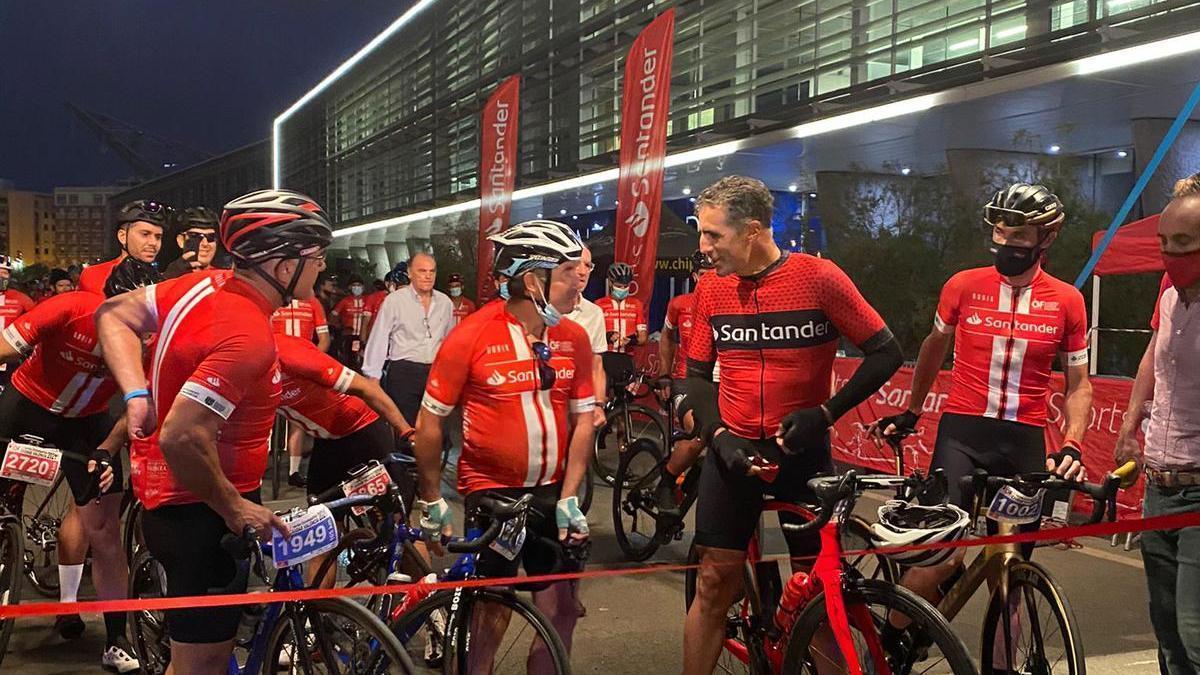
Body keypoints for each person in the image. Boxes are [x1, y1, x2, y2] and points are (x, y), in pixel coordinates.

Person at [95, 188, 331, 674]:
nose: (323, 269)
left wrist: (136, 394)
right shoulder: (247, 335)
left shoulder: (203, 284)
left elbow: (113, 313)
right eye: (317, 259)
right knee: (200, 667)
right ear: (284, 267)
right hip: (200, 517)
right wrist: (235, 507)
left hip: (170, 502)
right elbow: (181, 436)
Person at [679, 176, 904, 675]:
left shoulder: (818, 278)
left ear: (753, 231)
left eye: (714, 235)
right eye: (702, 232)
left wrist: (826, 413)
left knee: (817, 593)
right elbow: (694, 378)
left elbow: (886, 351)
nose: (703, 245)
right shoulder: (710, 288)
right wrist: (719, 435)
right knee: (716, 584)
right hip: (730, 448)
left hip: (801, 455)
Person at [868, 183, 1092, 640]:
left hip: (1023, 442)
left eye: (1019, 235)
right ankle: (886, 645)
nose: (1006, 243)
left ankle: (1003, 663)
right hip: (962, 436)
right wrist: (912, 411)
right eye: (1000, 231)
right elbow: (934, 348)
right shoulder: (963, 285)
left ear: (1046, 238)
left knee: (1008, 567)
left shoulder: (1068, 300)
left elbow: (1079, 384)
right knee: (943, 553)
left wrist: (1073, 442)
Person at [412, 219, 594, 673]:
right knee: (491, 611)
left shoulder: (573, 336)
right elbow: (430, 422)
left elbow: (584, 419)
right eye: (569, 271)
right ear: (533, 280)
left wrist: (570, 494)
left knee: (562, 611)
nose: (580, 280)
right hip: (494, 495)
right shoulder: (471, 335)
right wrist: (432, 499)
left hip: (552, 493)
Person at [0, 256, 161, 671]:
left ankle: (116, 640)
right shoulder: (71, 306)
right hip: (26, 407)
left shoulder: (150, 340)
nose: (137, 330)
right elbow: (5, 346)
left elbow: (138, 407)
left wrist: (107, 449)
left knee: (105, 531)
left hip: (87, 423)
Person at [1114, 172, 1200, 675]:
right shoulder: (1169, 294)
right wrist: (1131, 421)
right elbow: (1153, 355)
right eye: (1165, 242)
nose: (1170, 254)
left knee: (1194, 631)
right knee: (1167, 635)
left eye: (1184, 243)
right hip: (1159, 485)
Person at [274, 333, 415, 587]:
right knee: (321, 532)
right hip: (328, 442)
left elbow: (367, 387)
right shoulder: (244, 368)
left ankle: (428, 601)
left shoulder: (289, 351)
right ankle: (313, 615)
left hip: (364, 431)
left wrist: (406, 432)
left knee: (398, 525)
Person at [653, 249, 714, 516]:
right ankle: (665, 483)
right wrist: (664, 374)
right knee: (700, 433)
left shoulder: (730, 303)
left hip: (719, 384)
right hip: (685, 380)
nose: (710, 280)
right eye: (703, 275)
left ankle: (697, 479)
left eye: (715, 274)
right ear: (694, 276)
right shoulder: (680, 304)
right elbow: (666, 336)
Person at [362, 252, 451, 429]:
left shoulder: (445, 302)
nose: (428, 275)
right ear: (410, 273)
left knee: (437, 428)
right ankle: (406, 455)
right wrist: (373, 376)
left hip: (435, 372)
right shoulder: (394, 301)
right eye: (422, 271)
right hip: (404, 371)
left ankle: (434, 456)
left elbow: (450, 341)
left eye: (432, 271)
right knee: (406, 426)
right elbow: (379, 337)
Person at [271, 281, 331, 487]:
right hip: (274, 366)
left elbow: (324, 339)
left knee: (298, 420)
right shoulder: (275, 299)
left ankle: (293, 471)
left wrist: (311, 361)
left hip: (302, 370)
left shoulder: (313, 302)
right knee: (263, 420)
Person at [564, 245, 609, 430]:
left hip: (582, 406)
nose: (583, 271)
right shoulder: (544, 310)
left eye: (588, 265)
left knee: (580, 459)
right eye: (577, 264)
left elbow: (596, 365)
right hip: (547, 405)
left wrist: (598, 405)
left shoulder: (595, 313)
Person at [79, 199, 167, 294]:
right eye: (145, 234)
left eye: (158, 237)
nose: (153, 242)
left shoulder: (165, 280)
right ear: (122, 236)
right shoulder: (94, 275)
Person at [595, 262, 648, 391]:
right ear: (610, 284)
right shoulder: (599, 305)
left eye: (626, 286)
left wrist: (632, 340)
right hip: (605, 358)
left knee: (626, 401)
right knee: (603, 398)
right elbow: (592, 336)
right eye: (619, 286)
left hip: (626, 359)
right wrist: (607, 336)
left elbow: (643, 338)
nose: (622, 289)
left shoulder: (637, 305)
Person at [163, 206, 219, 278]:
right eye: (195, 236)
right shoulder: (166, 278)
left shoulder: (225, 280)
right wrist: (168, 279)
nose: (205, 243)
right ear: (181, 240)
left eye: (210, 237)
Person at [363, 264, 407, 342]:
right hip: (376, 339)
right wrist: (363, 342)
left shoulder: (406, 299)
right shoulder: (374, 298)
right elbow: (365, 322)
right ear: (387, 284)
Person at [0, 255, 36, 329]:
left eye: (4, 273)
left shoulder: (21, 298)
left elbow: (35, 322)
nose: (1, 276)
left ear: (9, 276)